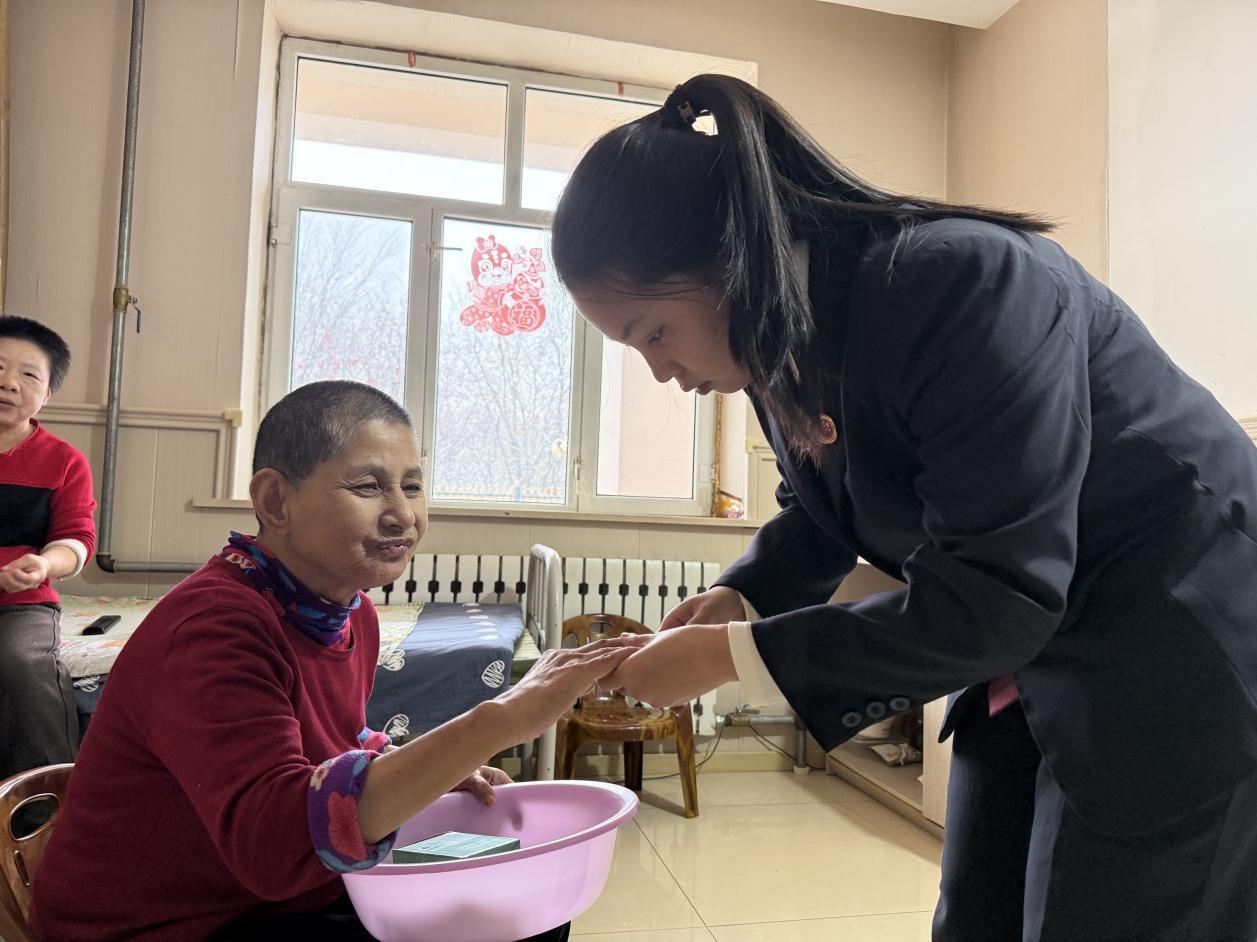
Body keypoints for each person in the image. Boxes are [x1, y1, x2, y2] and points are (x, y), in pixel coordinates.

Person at [550, 74, 1257, 941]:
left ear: (734, 259)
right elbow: (823, 507)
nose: (661, 372)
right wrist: (742, 597)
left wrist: (731, 658)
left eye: (653, 333)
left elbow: (995, 596)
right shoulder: (778, 343)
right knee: (974, 919)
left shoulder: (963, 280)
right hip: (1034, 646)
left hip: (1178, 646)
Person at [29, 381, 633, 941]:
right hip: (174, 923)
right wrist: (499, 719)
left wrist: (429, 768)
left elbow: (333, 743)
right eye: (368, 487)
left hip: (275, 892)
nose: (403, 515)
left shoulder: (350, 613)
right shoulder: (216, 627)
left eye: (412, 486)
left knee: (524, 909)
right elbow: (275, 845)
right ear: (275, 500)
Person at [0, 315, 95, 783]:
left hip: (22, 603)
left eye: (28, 375)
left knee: (23, 663)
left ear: (47, 394)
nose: (8, 383)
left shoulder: (63, 461)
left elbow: (76, 538)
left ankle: (47, 800)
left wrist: (43, 565)